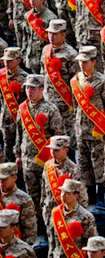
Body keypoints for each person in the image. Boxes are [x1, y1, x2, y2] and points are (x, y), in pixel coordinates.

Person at [15, 74, 63, 231]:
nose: (29, 91)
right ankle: (39, 227)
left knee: (48, 197)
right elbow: (19, 133)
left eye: (33, 88)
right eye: (27, 88)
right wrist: (17, 155)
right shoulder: (23, 108)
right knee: (32, 195)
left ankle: (51, 226)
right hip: (28, 159)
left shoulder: (51, 109)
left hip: (45, 161)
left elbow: (58, 136)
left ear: (42, 89)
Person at [71, 46, 105, 205]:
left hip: (98, 131)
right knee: (84, 166)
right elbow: (75, 107)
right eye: (80, 62)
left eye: (85, 62)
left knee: (99, 166)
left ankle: (100, 199)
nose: (82, 65)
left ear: (94, 62)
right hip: (81, 130)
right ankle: (89, 198)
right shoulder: (75, 81)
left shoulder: (103, 81)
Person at [41, 19, 79, 150]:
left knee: (67, 140)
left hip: (65, 104)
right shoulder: (46, 50)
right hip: (48, 101)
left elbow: (76, 82)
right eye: (50, 33)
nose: (51, 36)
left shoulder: (71, 54)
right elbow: (43, 75)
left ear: (63, 35)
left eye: (55, 34)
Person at [41, 135, 88, 229]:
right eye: (51, 149)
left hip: (67, 216)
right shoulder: (48, 165)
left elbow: (81, 196)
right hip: (50, 212)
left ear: (66, 150)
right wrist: (43, 205)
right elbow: (44, 188)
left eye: (57, 150)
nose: (53, 152)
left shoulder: (73, 170)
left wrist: (82, 217)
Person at [49, 179, 98, 258]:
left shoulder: (86, 217)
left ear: (76, 196)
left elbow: (91, 243)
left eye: (67, 193)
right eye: (62, 192)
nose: (63, 196)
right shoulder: (56, 213)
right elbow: (52, 240)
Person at [0, 47, 28, 162]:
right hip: (5, 120)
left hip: (19, 121)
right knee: (7, 151)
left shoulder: (25, 79)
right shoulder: (2, 76)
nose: (7, 62)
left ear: (18, 60)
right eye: (6, 60)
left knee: (20, 153)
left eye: (10, 60)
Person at [0, 162, 36, 244]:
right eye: (0, 179)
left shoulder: (24, 199)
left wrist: (26, 246)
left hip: (15, 245)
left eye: (5, 179)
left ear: (14, 178)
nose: (1, 182)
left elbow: (30, 228)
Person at [24, 0, 57, 73]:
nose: (32, 0)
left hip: (43, 56)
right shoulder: (28, 15)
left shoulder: (51, 17)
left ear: (43, 0)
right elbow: (25, 37)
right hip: (30, 56)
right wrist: (24, 54)